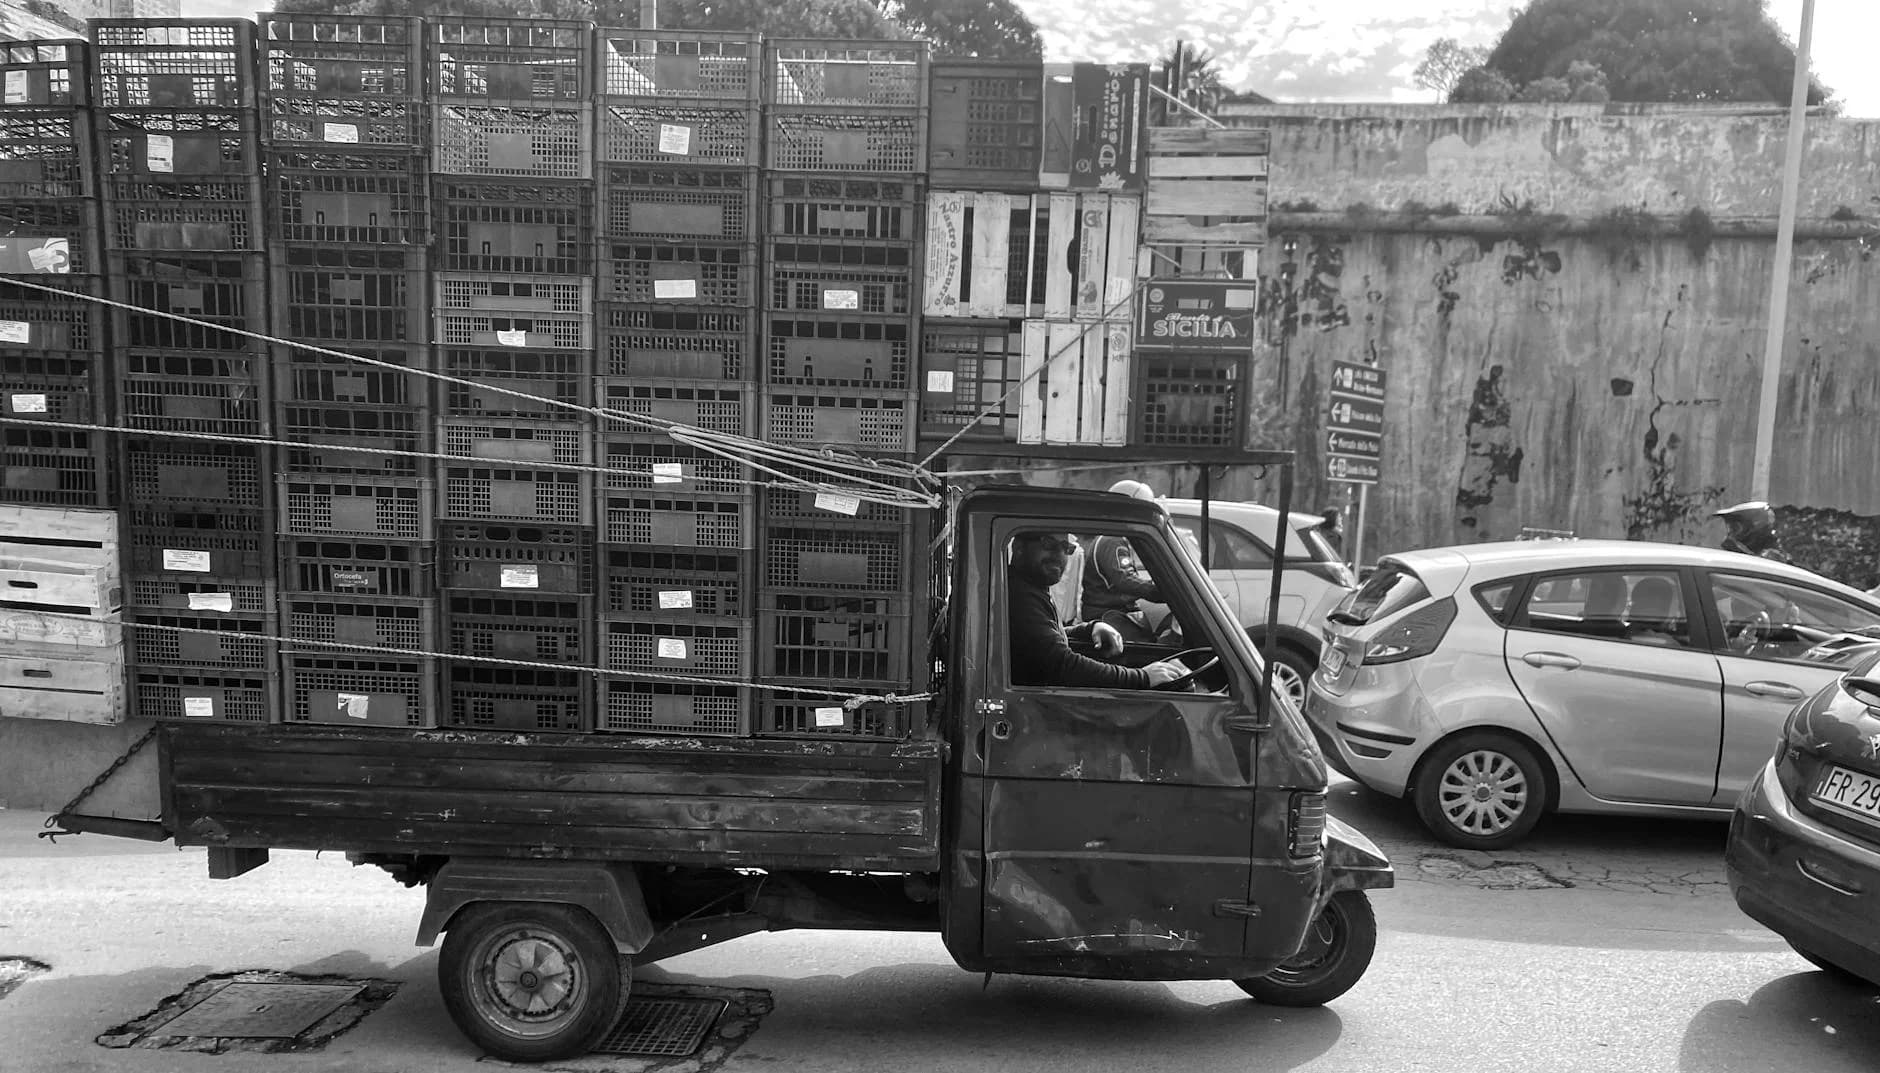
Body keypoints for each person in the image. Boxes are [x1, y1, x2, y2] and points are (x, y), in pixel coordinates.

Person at [1008, 530, 1185, 688]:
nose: (1059, 555)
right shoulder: (1021, 596)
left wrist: (1089, 628)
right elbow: (1062, 664)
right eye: (1049, 544)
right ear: (1018, 547)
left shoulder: (1029, 587)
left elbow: (1045, 639)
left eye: (1066, 548)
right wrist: (1141, 677)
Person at [1079, 480, 1164, 637]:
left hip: (1113, 611)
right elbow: (1124, 579)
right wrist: (1158, 591)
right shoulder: (1113, 540)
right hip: (1108, 614)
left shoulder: (1116, 537)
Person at [1717, 501, 1792, 564]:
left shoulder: (1773, 557)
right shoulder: (1732, 553)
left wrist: (1739, 551)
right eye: (1730, 528)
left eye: (1736, 528)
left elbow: (1756, 569)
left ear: (1755, 527)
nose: (1731, 534)